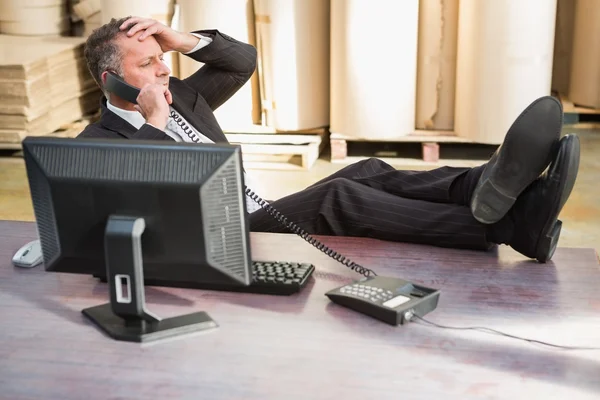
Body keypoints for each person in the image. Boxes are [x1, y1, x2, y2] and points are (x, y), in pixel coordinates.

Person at [78, 16, 580, 263]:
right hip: (217, 239)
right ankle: (511, 224)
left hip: (251, 210)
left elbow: (242, 61)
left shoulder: (184, 94)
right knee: (337, 196)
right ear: (111, 82)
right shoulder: (96, 143)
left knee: (366, 169)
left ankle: (483, 187)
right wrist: (156, 125)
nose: (163, 69)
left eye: (161, 57)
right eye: (146, 64)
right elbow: (154, 211)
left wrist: (179, 40)